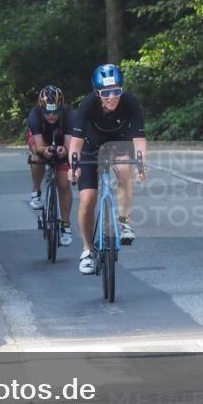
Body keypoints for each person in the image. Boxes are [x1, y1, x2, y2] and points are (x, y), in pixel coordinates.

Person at [68, 64, 147, 275]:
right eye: (106, 93)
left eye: (116, 92)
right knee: (87, 200)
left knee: (124, 169)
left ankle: (123, 223)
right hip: (91, 150)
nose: (111, 97)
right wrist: (74, 167)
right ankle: (87, 250)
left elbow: (138, 140)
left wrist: (141, 164)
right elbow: (75, 144)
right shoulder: (88, 105)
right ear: (97, 93)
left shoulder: (130, 103)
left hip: (119, 146)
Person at [27, 85, 74, 246]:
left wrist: (64, 151)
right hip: (42, 141)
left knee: (64, 185)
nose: (52, 115)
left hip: (62, 141)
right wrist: (44, 150)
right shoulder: (34, 116)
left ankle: (66, 225)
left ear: (62, 108)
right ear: (41, 109)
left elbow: (69, 146)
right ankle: (36, 190)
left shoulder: (69, 116)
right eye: (47, 112)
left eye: (55, 111)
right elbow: (39, 145)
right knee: (37, 157)